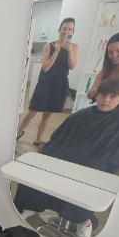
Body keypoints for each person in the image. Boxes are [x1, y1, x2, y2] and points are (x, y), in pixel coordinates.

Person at [14, 78, 119, 237]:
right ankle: (32, 206)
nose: (106, 100)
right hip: (65, 158)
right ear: (97, 95)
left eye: (112, 96)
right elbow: (58, 137)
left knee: (80, 184)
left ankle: (84, 223)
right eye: (103, 95)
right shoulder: (81, 114)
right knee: (37, 172)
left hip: (95, 166)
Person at [17, 18, 78, 146]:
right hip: (45, 83)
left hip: (60, 84)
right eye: (64, 28)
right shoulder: (48, 46)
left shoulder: (74, 47)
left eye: (70, 29)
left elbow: (72, 66)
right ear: (59, 30)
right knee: (32, 112)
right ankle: (18, 133)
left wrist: (70, 51)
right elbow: (45, 68)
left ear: (72, 31)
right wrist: (56, 53)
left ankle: (38, 139)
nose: (66, 31)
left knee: (47, 115)